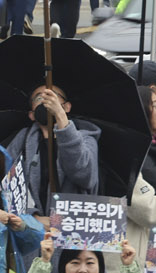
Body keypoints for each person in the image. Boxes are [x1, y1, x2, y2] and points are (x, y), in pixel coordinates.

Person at [4, 84, 99, 212]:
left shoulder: (85, 137)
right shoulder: (22, 140)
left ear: (66, 107)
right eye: (39, 98)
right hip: (32, 227)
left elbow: (85, 176)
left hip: (72, 224)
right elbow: (8, 184)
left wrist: (60, 116)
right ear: (31, 114)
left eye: (53, 95)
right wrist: (33, 218)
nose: (46, 100)